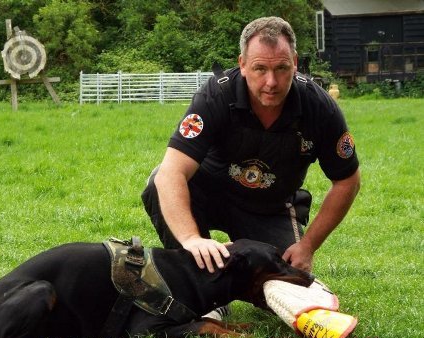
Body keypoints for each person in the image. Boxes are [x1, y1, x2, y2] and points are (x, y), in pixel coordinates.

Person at [142, 17, 360, 277]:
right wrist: (191, 239)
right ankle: (199, 278)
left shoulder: (319, 108)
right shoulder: (216, 96)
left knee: (286, 280)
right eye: (260, 69)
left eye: (281, 68)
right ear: (242, 65)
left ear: (295, 63)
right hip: (208, 194)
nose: (271, 82)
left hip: (268, 208)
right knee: (157, 181)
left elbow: (348, 181)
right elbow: (170, 173)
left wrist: (308, 246)